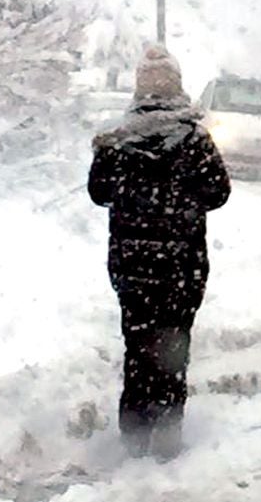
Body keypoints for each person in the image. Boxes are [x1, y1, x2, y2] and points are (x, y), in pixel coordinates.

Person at [88, 45, 231, 460]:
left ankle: (134, 434)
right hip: (181, 263)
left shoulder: (117, 138)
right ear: (177, 85)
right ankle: (168, 435)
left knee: (137, 345)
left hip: (132, 264)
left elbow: (99, 194)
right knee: (173, 345)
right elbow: (218, 193)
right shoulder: (193, 137)